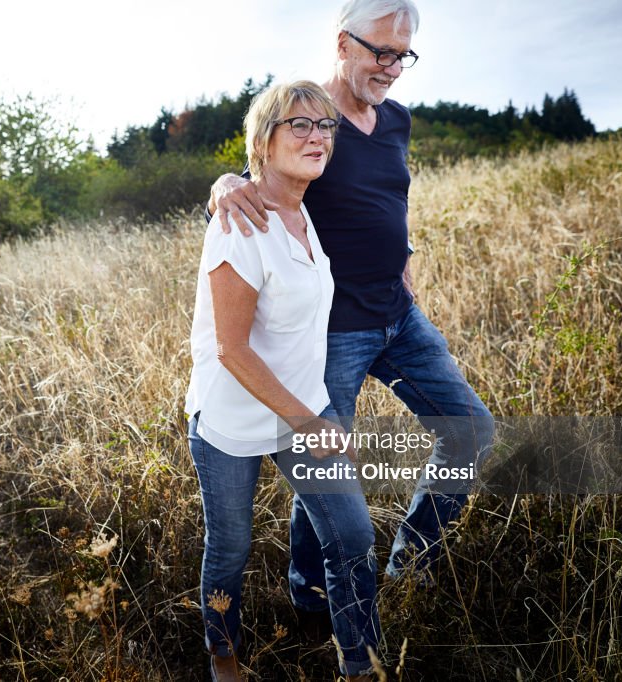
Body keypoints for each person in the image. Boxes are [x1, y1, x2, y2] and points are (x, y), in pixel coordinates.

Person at [208, 0, 494, 655]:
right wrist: (224, 183)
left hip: (401, 319)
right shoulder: (311, 120)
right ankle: (310, 594)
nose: (393, 68)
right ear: (343, 42)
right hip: (332, 333)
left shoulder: (396, 121)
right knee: (324, 465)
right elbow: (256, 181)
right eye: (380, 52)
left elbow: (391, 197)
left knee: (472, 430)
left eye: (404, 55)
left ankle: (410, 561)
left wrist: (407, 257)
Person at [186, 80, 380, 681]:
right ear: (263, 141)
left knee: (352, 536)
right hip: (233, 420)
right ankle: (223, 657)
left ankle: (359, 662)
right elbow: (232, 350)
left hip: (302, 409)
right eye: (300, 125)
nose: (318, 136)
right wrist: (310, 423)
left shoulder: (302, 210)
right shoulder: (238, 223)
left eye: (325, 126)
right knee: (231, 549)